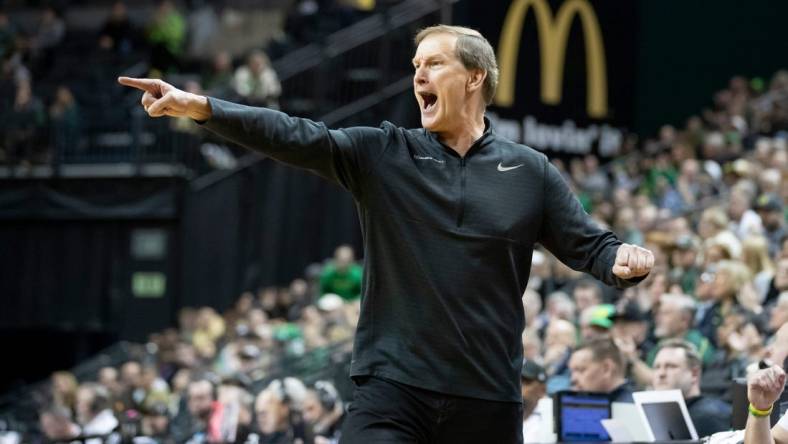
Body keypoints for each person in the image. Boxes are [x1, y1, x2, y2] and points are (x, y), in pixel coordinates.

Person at [118, 24, 654, 443]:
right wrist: (202, 107)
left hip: (487, 396)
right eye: (415, 66)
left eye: (434, 64)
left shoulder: (530, 170)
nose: (418, 76)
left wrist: (622, 259)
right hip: (392, 389)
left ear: (474, 77)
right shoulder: (384, 153)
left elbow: (591, 246)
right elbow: (296, 135)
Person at [651, 339, 732, 437]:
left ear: (694, 374)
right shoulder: (655, 417)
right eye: (657, 367)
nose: (661, 373)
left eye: (671, 366)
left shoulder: (710, 416)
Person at [568, 338, 634, 402]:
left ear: (607, 369)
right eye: (572, 372)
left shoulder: (631, 408)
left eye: (581, 370)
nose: (573, 379)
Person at [520, 360, 549, 443]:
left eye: (526, 382)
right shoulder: (508, 413)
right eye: (517, 381)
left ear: (542, 389)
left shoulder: (551, 415)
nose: (519, 386)